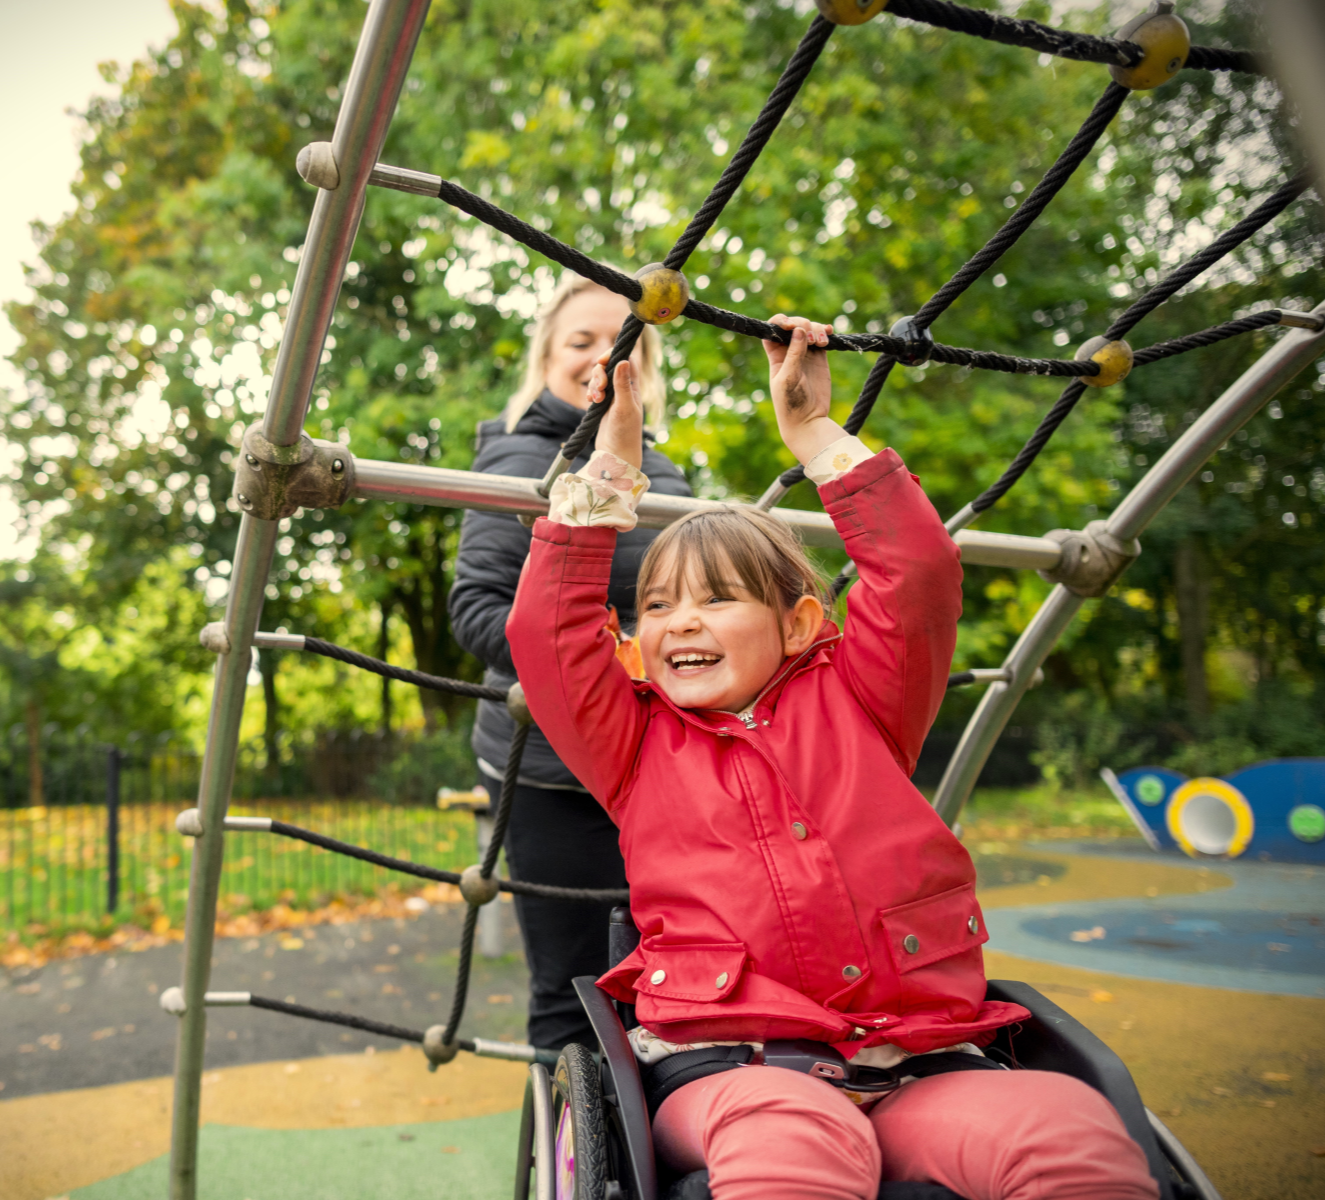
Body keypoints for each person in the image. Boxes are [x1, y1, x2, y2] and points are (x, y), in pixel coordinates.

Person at [506, 315, 1160, 1200]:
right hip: (735, 1067)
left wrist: (815, 433)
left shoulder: (862, 700)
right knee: (796, 1138)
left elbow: (916, 573)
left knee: (1063, 1127)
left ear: (798, 625)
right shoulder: (634, 742)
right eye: (655, 607)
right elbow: (547, 634)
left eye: (717, 599)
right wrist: (611, 470)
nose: (680, 621)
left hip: (918, 1062)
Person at [448, 273, 693, 1052]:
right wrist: (605, 666)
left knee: (670, 980)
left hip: (654, 759)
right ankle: (569, 1131)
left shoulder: (669, 476)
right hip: (551, 769)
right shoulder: (520, 461)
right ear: (546, 359)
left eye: (621, 344)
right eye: (580, 341)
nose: (600, 358)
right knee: (574, 991)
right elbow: (477, 610)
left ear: (644, 367)